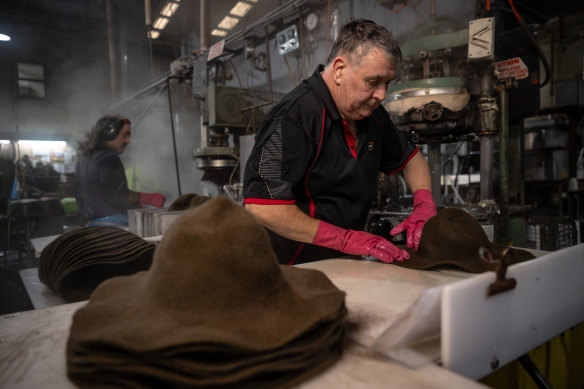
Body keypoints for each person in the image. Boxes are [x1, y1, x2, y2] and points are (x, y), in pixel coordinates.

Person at [243, 19, 436, 265]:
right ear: (340, 70)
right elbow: (262, 207)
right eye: (373, 82)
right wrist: (345, 239)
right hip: (288, 268)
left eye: (388, 83)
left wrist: (423, 203)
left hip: (342, 264)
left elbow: (411, 159)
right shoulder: (295, 116)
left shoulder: (373, 116)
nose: (382, 95)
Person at [75, 114, 165, 226]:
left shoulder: (84, 157)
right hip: (113, 226)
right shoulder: (109, 157)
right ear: (110, 132)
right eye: (125, 135)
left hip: (89, 224)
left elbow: (104, 193)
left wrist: (135, 203)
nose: (128, 141)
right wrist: (149, 198)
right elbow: (122, 197)